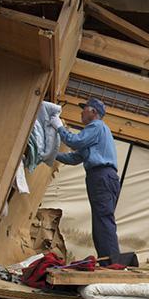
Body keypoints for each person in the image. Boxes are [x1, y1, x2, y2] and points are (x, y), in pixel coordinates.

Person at [53, 98, 120, 262]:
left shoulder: (96, 126)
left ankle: (113, 263)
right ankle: (107, 261)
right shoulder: (96, 133)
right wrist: (51, 155)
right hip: (102, 177)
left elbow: (75, 142)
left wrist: (59, 127)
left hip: (101, 176)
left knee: (103, 220)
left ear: (94, 112)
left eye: (85, 109)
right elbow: (75, 157)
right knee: (100, 221)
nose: (81, 112)